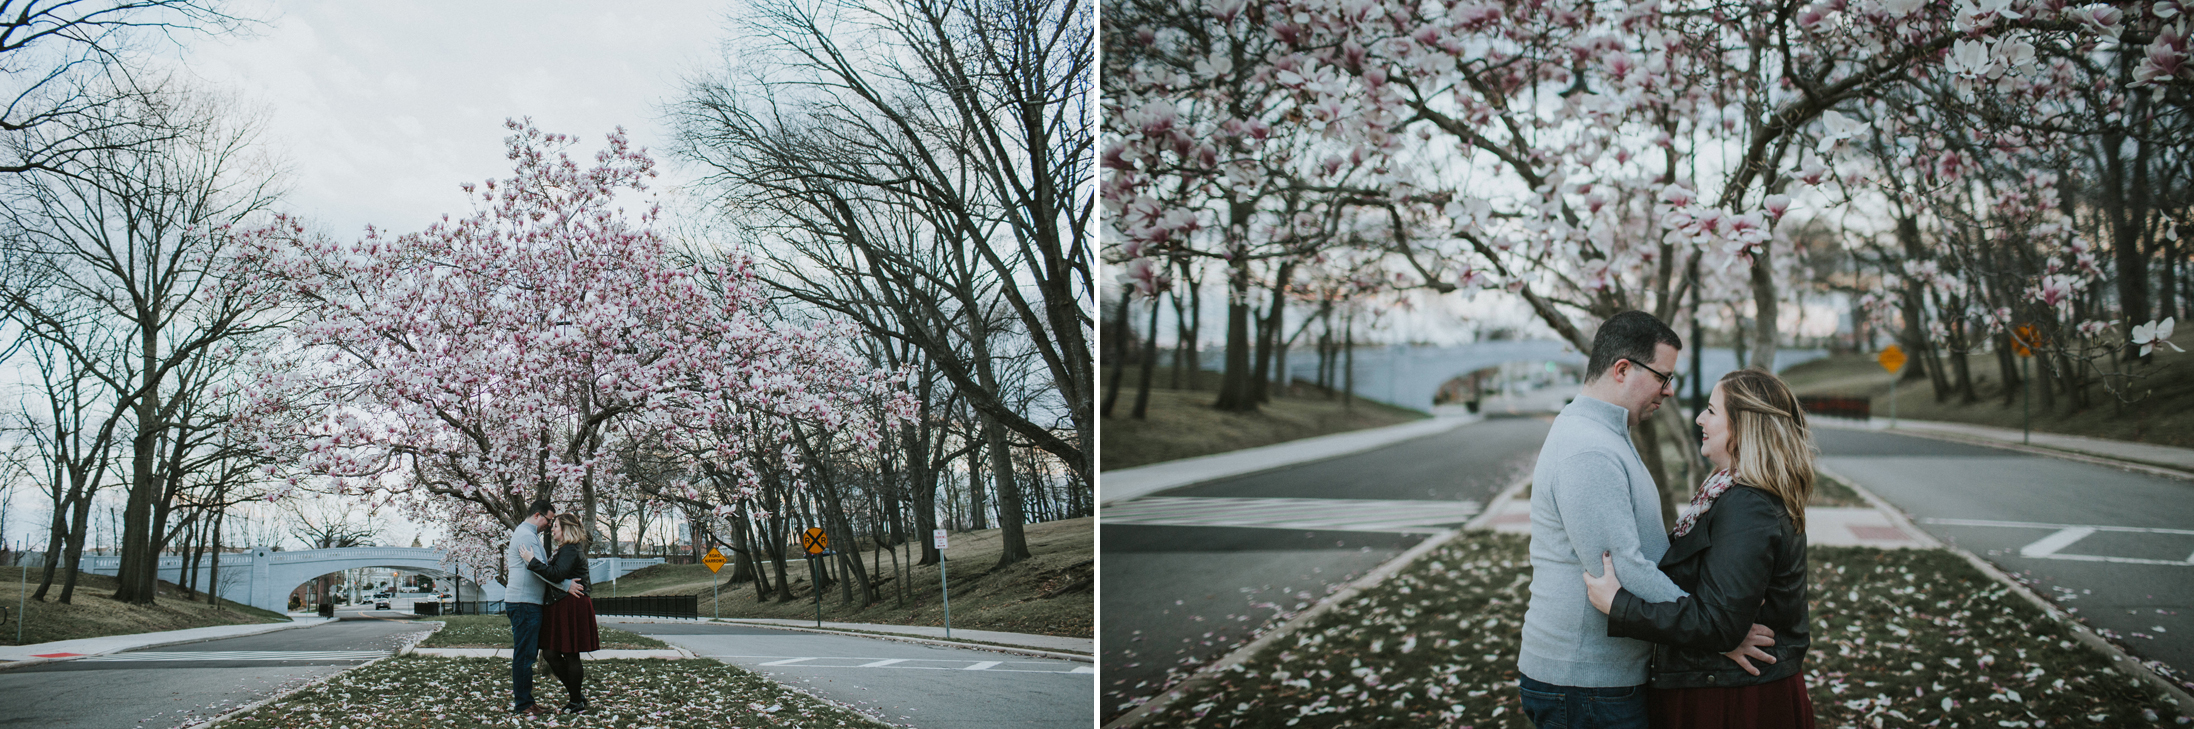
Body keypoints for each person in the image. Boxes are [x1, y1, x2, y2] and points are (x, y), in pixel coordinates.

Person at [1517, 310, 1773, 729]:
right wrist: (1716, 635)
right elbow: (1624, 570)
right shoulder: (1589, 449)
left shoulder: (1607, 435)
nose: (1669, 391)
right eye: (1663, 377)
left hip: (1600, 680)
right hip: (1585, 683)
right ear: (1622, 369)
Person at [1583, 368, 1818, 727]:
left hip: (1735, 699)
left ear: (1742, 427)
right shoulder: (1727, 492)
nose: (1699, 418)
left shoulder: (1748, 506)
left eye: (1711, 410)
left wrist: (1621, 607)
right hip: (1724, 683)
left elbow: (1720, 623)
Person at [506, 500, 584, 715]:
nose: (549, 526)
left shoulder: (530, 535)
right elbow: (538, 570)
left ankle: (527, 702)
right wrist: (566, 585)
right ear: (538, 515)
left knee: (527, 654)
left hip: (528, 602)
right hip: (524, 603)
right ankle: (524, 704)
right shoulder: (525, 536)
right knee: (524, 655)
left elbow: (542, 567)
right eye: (549, 520)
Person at [522, 513, 601, 714]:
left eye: (555, 525)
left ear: (566, 529)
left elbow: (556, 575)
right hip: (561, 604)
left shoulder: (571, 549)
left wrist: (532, 562)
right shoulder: (566, 549)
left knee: (571, 655)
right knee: (550, 652)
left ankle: (576, 702)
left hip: (571, 606)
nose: (552, 529)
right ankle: (577, 695)